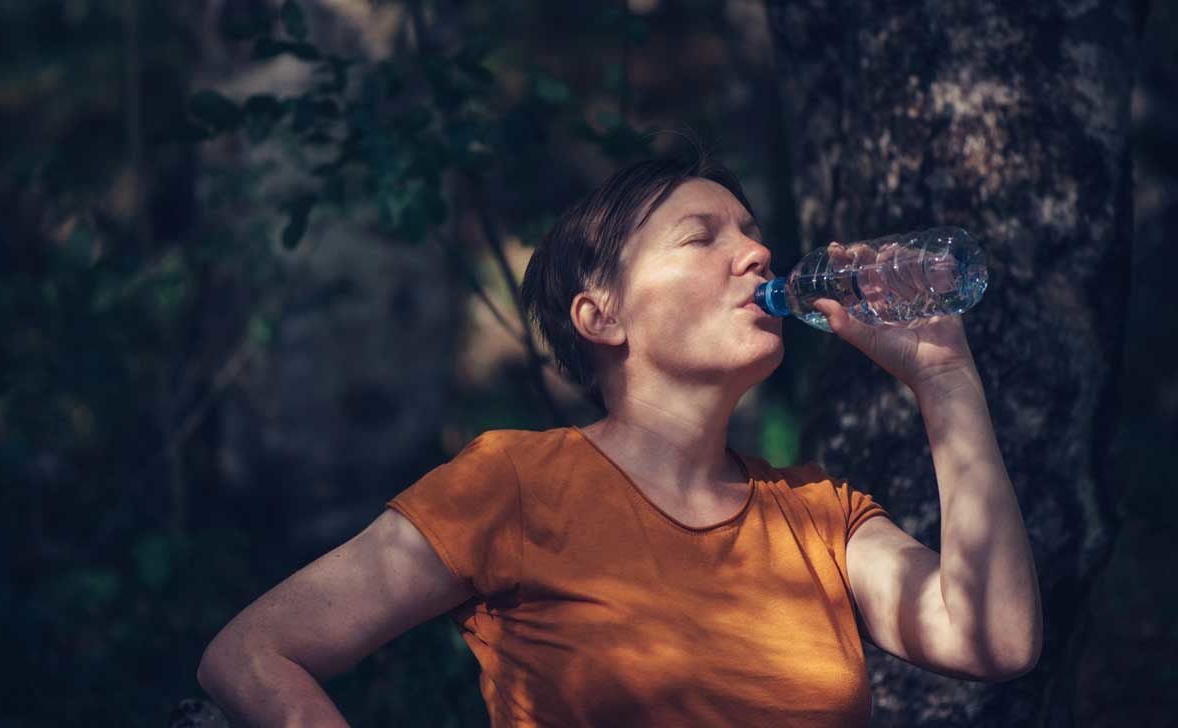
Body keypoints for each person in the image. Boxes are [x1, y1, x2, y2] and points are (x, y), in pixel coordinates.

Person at [197, 153, 1043, 727]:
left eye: (752, 232)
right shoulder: (516, 483)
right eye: (702, 236)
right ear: (601, 316)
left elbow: (991, 639)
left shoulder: (819, 518)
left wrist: (944, 380)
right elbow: (251, 652)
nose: (756, 252)